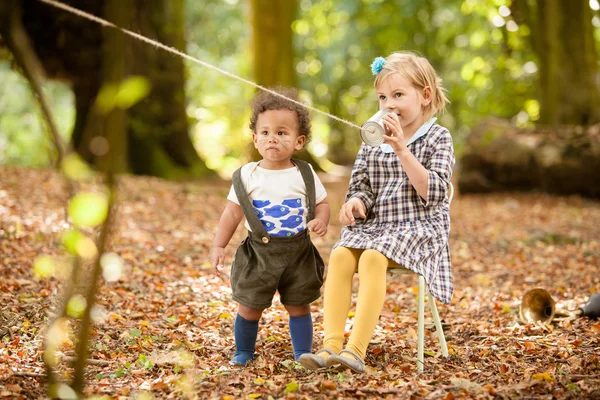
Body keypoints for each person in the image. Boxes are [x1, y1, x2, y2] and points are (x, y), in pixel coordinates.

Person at [299, 51, 455, 373]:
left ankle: (356, 351)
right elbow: (362, 185)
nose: (389, 104)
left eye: (398, 95)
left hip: (420, 227)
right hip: (380, 227)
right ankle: (330, 347)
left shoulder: (437, 138)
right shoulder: (373, 138)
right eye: (383, 97)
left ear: (425, 95)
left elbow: (435, 193)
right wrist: (356, 201)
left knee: (371, 257)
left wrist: (401, 148)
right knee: (342, 253)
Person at [210, 87, 330, 366]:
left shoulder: (304, 173)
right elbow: (231, 213)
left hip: (298, 252)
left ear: (299, 141)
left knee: (299, 305)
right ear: (254, 138)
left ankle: (302, 353)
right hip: (258, 254)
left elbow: (323, 204)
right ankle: (243, 351)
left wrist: (321, 219)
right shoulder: (248, 175)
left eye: (281, 132)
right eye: (265, 132)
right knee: (249, 306)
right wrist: (218, 245)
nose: (272, 138)